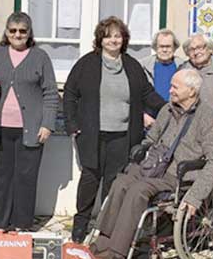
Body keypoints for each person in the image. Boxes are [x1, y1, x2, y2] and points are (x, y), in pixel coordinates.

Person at [91, 69, 213, 259]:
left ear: (191, 91)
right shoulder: (168, 110)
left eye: (175, 87)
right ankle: (103, 242)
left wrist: (195, 197)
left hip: (178, 176)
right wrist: (143, 149)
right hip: (155, 166)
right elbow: (152, 137)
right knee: (120, 182)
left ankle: (117, 253)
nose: (170, 90)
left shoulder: (208, 118)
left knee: (137, 190)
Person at [63, 16, 166, 243]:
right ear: (100, 39)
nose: (113, 40)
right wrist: (72, 124)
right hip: (92, 134)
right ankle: (80, 225)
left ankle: (105, 228)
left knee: (114, 181)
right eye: (108, 36)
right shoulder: (87, 64)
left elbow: (147, 93)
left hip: (123, 135)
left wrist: (168, 108)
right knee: (90, 178)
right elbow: (70, 93)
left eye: (117, 36)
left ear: (124, 39)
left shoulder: (132, 65)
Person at [0, 12, 59, 231]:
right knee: (1, 178)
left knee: (26, 178)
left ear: (29, 33)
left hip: (31, 129)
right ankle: (0, 223)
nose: (17, 35)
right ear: (6, 32)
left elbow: (50, 92)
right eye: (13, 31)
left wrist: (47, 124)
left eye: (22, 31)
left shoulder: (40, 57)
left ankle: (22, 225)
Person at [179, 32, 213, 114]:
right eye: (192, 49)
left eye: (200, 47)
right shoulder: (182, 72)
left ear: (210, 49)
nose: (196, 52)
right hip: (192, 119)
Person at [141, 29, 181, 101]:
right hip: (151, 107)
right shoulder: (143, 66)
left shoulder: (183, 66)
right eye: (161, 46)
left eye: (168, 46)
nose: (164, 50)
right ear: (155, 47)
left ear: (174, 47)